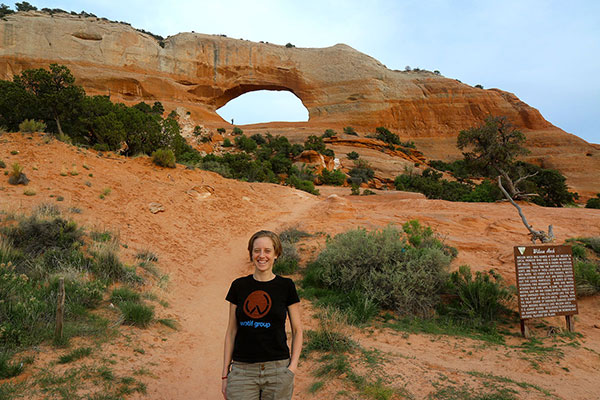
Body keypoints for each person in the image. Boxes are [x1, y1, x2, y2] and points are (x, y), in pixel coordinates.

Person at [222, 230, 303, 400]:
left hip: (277, 370)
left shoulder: (286, 286)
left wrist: (292, 368)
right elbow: (231, 331)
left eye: (267, 251)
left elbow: (297, 330)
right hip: (242, 371)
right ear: (251, 254)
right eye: (257, 250)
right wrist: (225, 374)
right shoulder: (239, 286)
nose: (261, 256)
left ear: (276, 254)